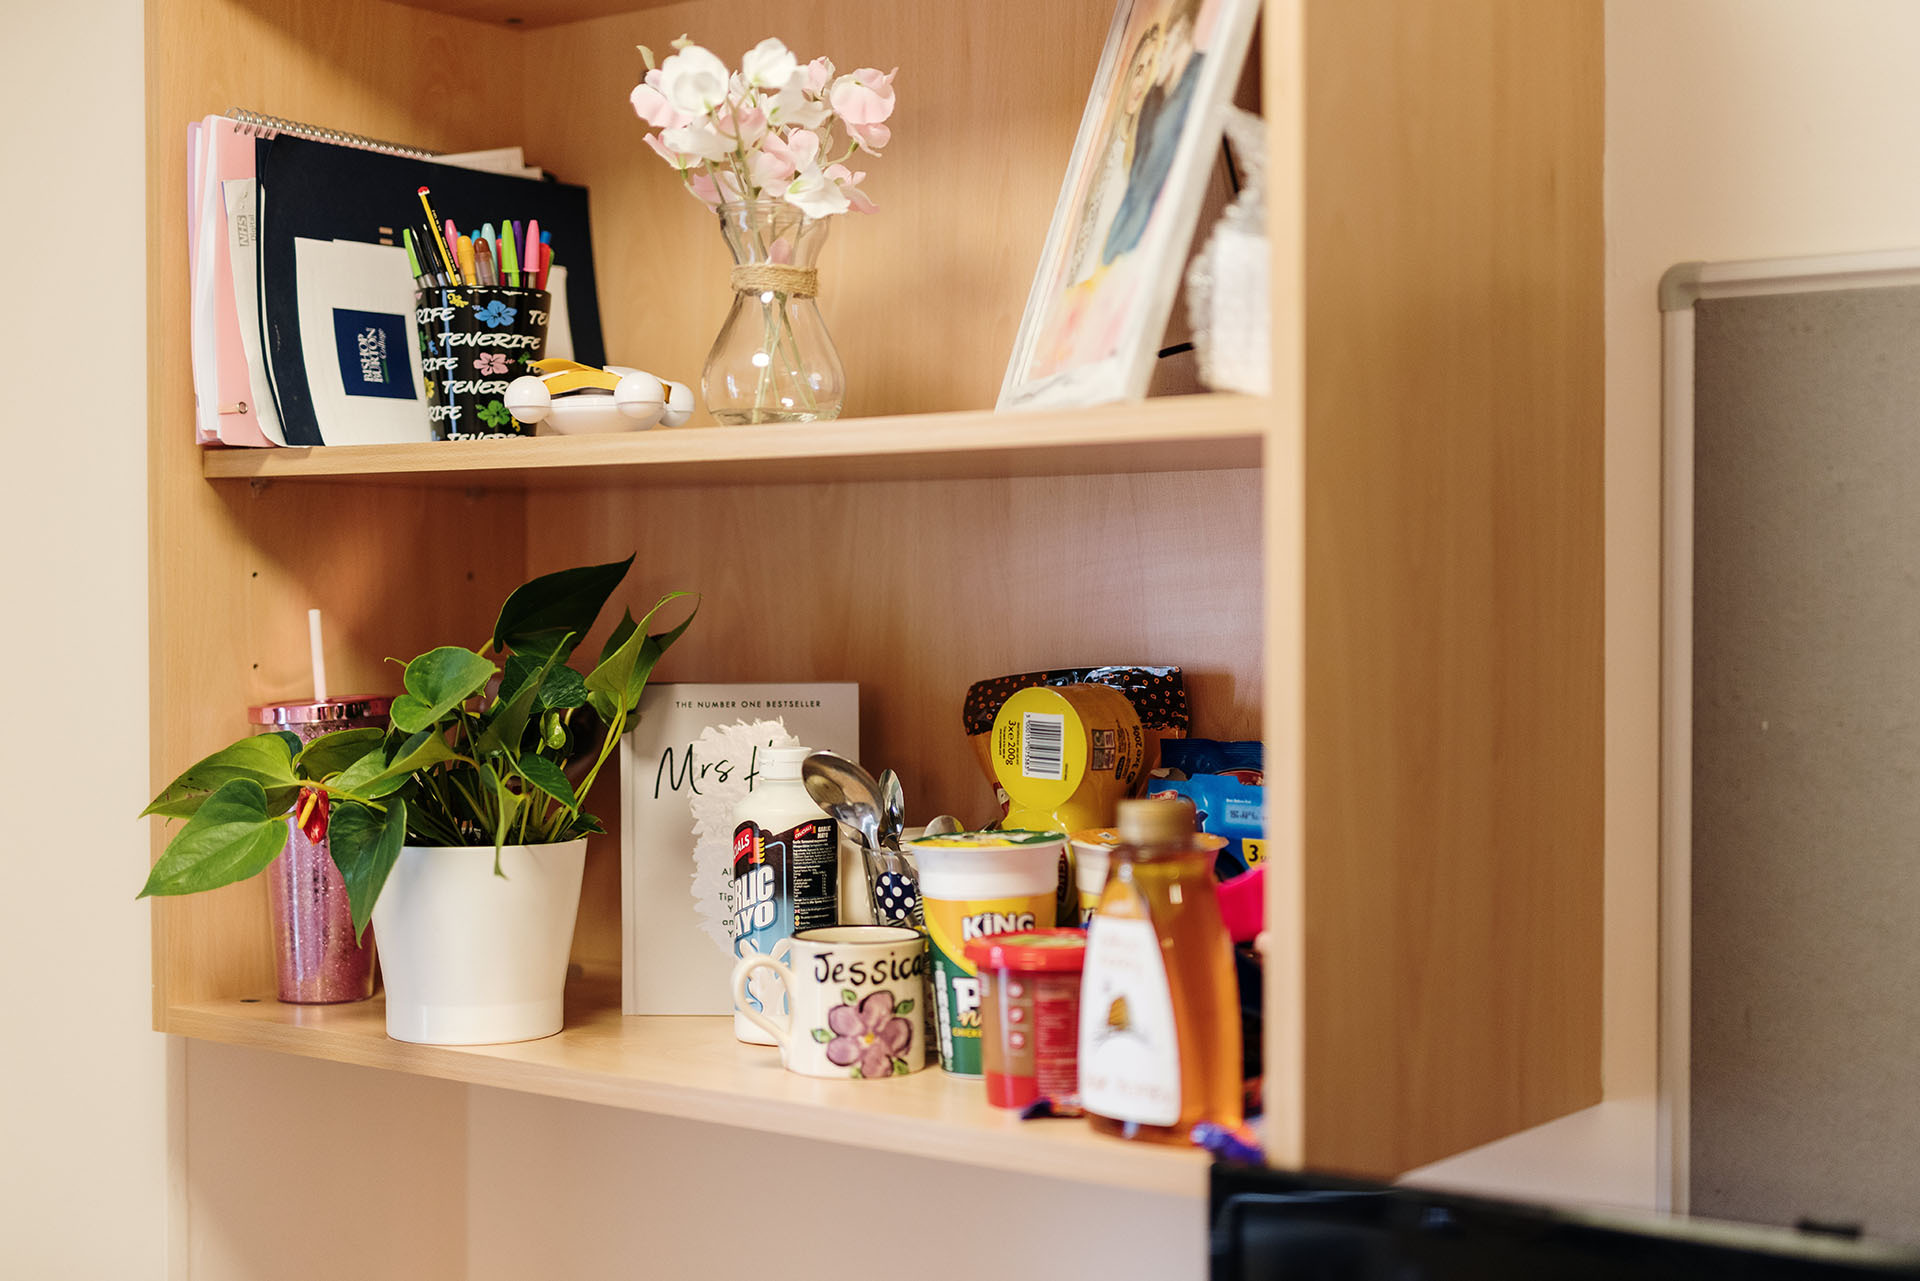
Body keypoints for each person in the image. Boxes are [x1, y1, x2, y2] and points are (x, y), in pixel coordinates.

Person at [1101, 0, 1205, 266]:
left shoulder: (1200, 78)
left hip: (1157, 239)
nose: (1160, 57)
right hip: (1128, 244)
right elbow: (1136, 187)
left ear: (1181, 32)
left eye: (1165, 43)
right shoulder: (1153, 98)